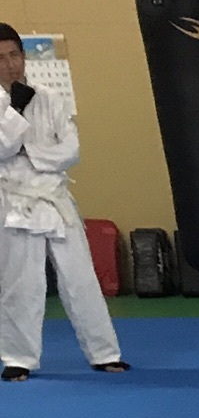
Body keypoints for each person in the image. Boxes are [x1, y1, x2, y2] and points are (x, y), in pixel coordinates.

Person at [0, 24, 126, 381]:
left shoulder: (50, 97)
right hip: (15, 203)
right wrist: (15, 111)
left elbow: (71, 151)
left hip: (55, 199)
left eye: (14, 55)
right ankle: (18, 358)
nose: (10, 65)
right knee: (21, 285)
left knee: (81, 279)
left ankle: (104, 353)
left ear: (23, 56)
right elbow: (2, 149)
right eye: (1, 58)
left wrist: (29, 152)